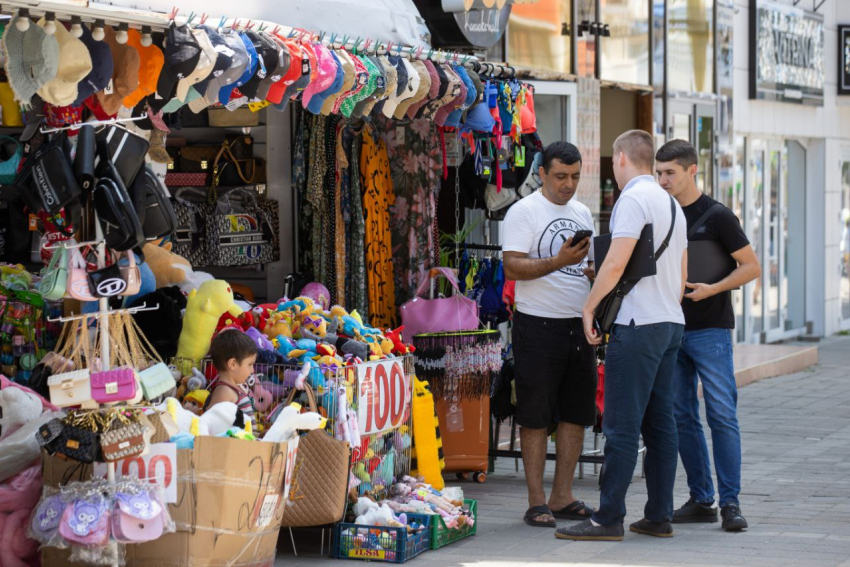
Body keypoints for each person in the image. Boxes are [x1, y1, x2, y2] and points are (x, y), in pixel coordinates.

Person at [559, 129, 688, 542]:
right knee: (661, 425)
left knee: (621, 427)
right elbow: (682, 275)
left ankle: (607, 517)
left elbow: (615, 262)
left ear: (620, 159)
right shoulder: (672, 204)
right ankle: (658, 515)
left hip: (638, 326)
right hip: (670, 322)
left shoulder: (632, 199)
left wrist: (589, 306)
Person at [656, 139, 760, 531]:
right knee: (682, 415)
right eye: (659, 173)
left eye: (671, 173)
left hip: (711, 329)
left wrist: (711, 289)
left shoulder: (718, 215)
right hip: (669, 328)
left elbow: (750, 267)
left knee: (721, 415)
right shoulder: (659, 214)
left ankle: (731, 504)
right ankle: (702, 499)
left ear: (691, 170)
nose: (663, 181)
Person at [502, 141, 598, 528]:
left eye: (575, 176)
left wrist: (592, 272)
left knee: (576, 413)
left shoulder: (583, 211)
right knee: (535, 414)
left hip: (579, 325)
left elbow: (587, 265)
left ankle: (563, 496)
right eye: (560, 176)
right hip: (537, 324)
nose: (568, 184)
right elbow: (512, 268)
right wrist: (558, 261)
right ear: (542, 173)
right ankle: (536, 499)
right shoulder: (523, 211)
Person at [205, 328, 259, 419]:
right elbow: (210, 422)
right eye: (249, 364)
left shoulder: (233, 389)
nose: (252, 370)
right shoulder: (225, 392)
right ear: (232, 364)